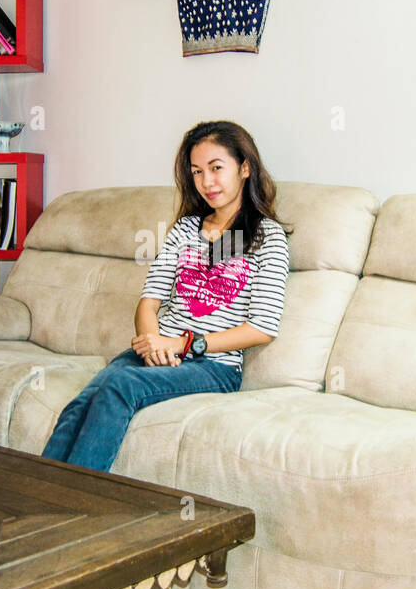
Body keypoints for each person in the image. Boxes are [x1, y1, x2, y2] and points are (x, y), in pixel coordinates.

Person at [41, 120, 290, 472]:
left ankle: (76, 506)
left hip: (212, 366)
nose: (207, 182)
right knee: (82, 401)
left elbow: (262, 327)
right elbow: (149, 301)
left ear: (245, 168)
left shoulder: (267, 237)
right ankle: (36, 496)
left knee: (119, 385)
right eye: (197, 172)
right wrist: (153, 340)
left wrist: (184, 345)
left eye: (217, 168)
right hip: (160, 349)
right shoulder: (188, 228)